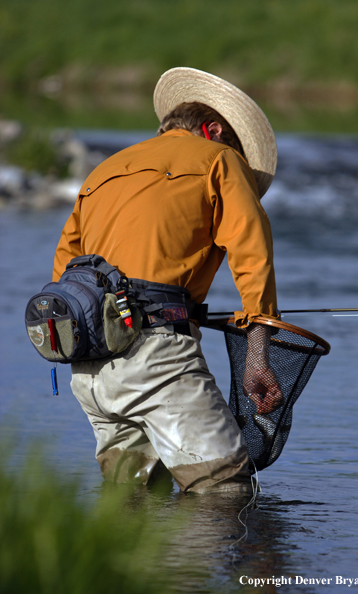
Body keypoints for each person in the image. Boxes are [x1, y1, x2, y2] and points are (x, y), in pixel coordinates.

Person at [52, 67, 282, 493]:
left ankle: (117, 562)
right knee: (224, 491)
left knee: (131, 499)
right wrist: (257, 357)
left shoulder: (103, 172)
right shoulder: (219, 159)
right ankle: (194, 562)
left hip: (88, 367)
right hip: (158, 361)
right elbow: (253, 258)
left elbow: (64, 271)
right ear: (212, 130)